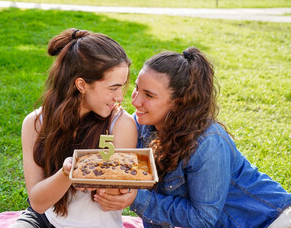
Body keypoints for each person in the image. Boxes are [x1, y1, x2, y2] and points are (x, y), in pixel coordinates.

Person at [94, 47, 291, 228]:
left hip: (271, 221)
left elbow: (202, 219)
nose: (135, 100)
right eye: (137, 88)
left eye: (149, 95)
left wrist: (136, 198)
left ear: (179, 103)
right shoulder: (144, 125)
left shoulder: (208, 143)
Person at [13, 28, 137, 228]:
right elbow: (37, 203)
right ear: (81, 84)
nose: (120, 97)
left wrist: (118, 187)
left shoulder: (121, 125)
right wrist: (68, 173)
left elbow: (111, 200)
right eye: (113, 88)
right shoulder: (35, 123)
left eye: (122, 86)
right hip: (45, 220)